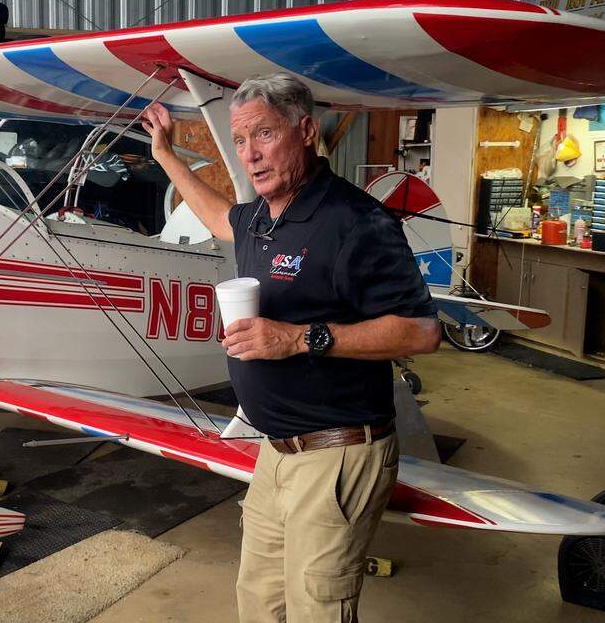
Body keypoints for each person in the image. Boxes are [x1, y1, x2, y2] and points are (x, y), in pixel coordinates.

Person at [141, 72, 440, 623]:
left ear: (305, 131)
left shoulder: (356, 220)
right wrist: (165, 155)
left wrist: (298, 338)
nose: (250, 155)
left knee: (316, 611)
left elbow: (422, 332)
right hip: (276, 450)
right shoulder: (259, 215)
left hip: (338, 452)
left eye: (264, 135)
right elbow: (214, 214)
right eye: (239, 141)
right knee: (259, 603)